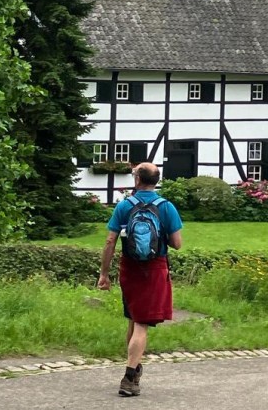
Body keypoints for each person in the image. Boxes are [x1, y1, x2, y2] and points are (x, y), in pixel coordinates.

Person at [97, 162, 183, 397]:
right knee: (142, 324)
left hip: (130, 268)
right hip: (154, 268)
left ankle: (134, 369)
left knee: (134, 319)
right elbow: (177, 244)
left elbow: (109, 241)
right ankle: (129, 377)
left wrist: (104, 274)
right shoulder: (166, 207)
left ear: (137, 180)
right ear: (156, 180)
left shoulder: (124, 205)